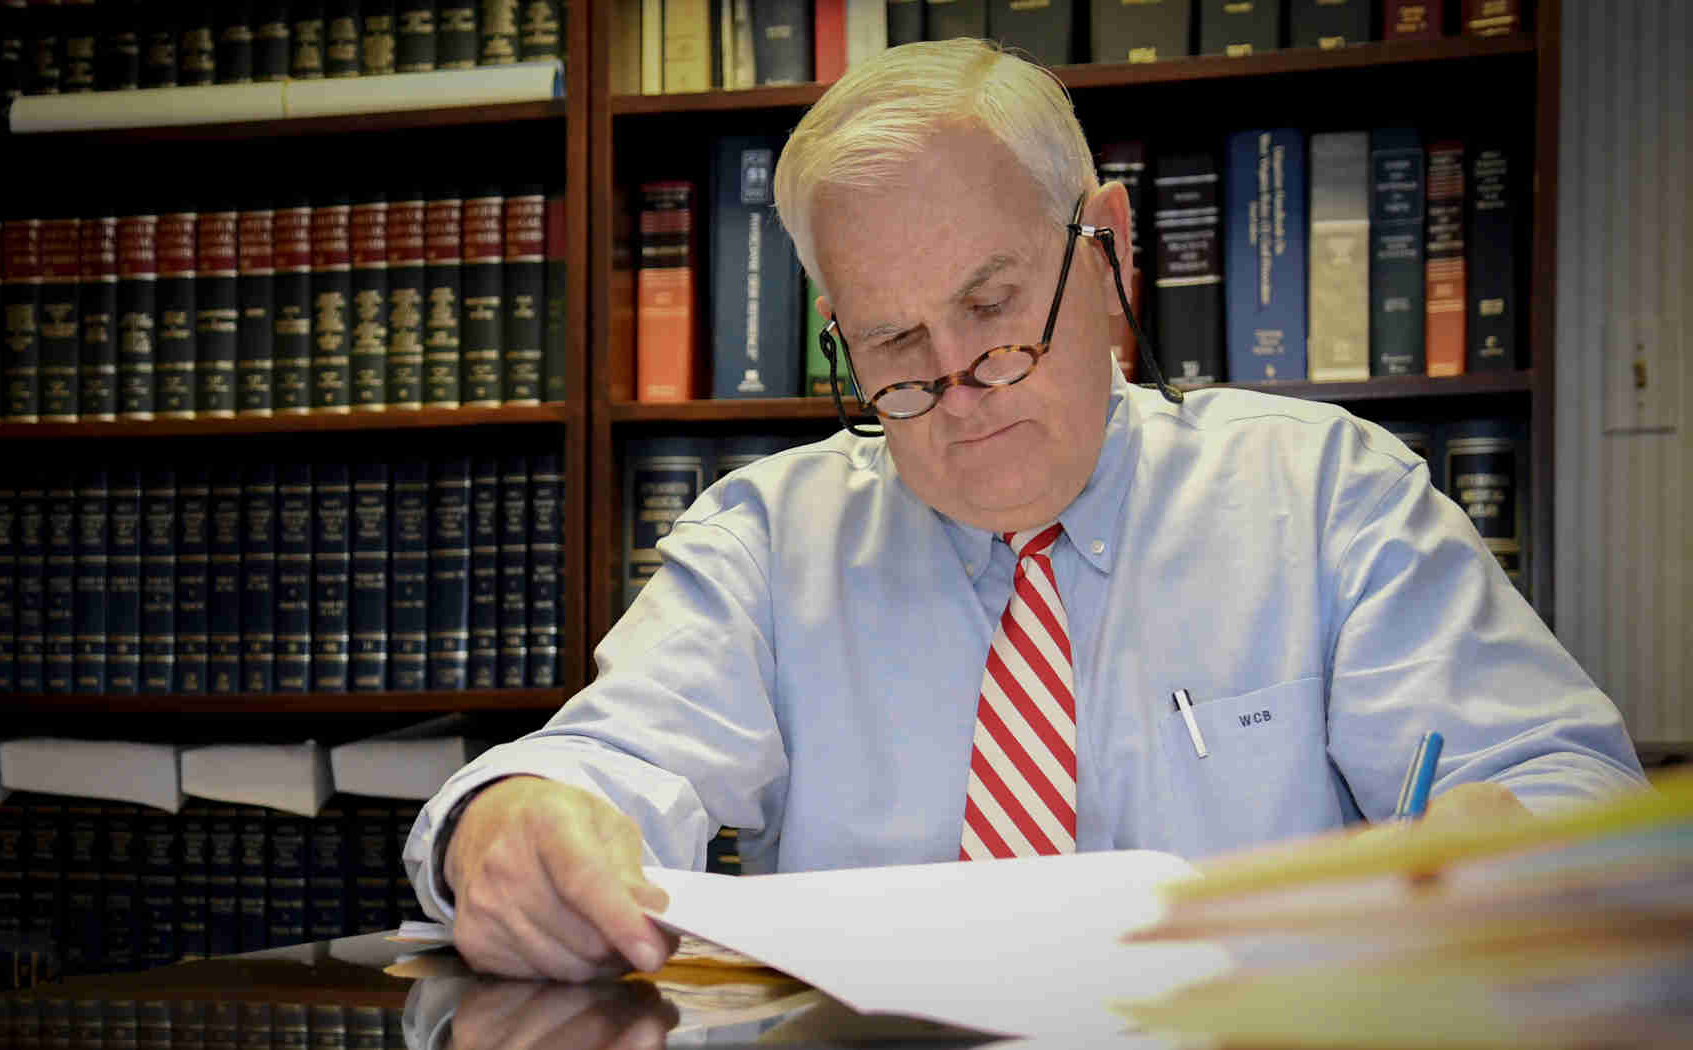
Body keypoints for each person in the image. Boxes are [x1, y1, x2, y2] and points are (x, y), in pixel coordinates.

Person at [403, 38, 1646, 982]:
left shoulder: (1326, 495)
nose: (954, 390)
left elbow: (1557, 784)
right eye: (891, 343)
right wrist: (509, 827)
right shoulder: (771, 542)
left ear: (1103, 247)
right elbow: (602, 762)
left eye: (995, 308)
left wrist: (1517, 843)